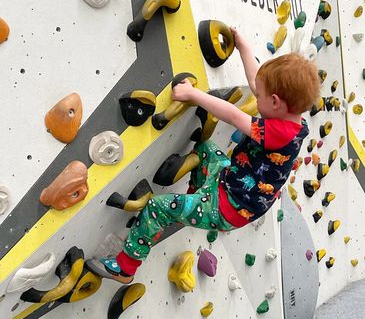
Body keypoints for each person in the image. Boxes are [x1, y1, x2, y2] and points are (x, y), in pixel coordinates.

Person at [86, 28, 321, 284]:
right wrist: (243, 47)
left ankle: (124, 267)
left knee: (157, 207)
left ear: (275, 102)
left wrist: (193, 95)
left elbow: (232, 115)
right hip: (231, 185)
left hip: (229, 208)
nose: (256, 95)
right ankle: (194, 199)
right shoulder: (292, 119)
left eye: (262, 97)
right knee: (207, 150)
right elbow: (258, 84)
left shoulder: (278, 133)